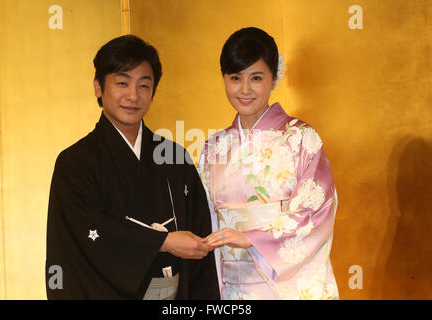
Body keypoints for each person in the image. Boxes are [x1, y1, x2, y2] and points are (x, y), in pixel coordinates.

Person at [46, 35, 219, 299]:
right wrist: (163, 242)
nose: (132, 96)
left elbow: (200, 243)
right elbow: (86, 236)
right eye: (122, 83)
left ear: (153, 92)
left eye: (143, 85)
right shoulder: (75, 162)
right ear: (98, 87)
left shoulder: (174, 156)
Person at [198, 27, 339, 300]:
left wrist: (252, 238)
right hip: (231, 284)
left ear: (275, 78)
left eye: (257, 78)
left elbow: (316, 208)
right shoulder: (214, 147)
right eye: (235, 78)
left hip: (283, 283)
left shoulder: (300, 138)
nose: (245, 89)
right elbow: (203, 214)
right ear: (224, 78)